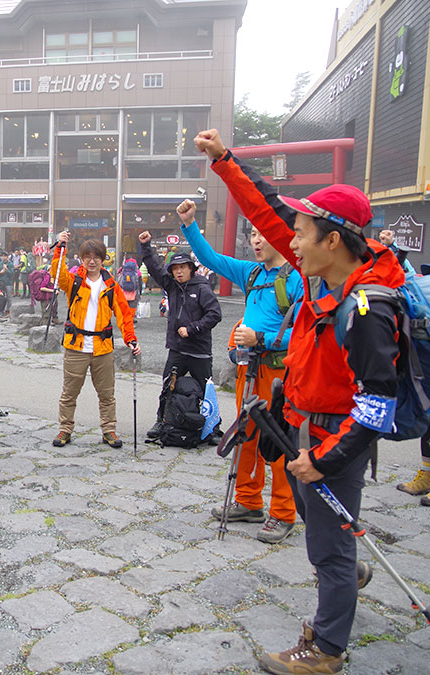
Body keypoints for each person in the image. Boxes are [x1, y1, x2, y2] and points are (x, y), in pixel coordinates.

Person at [196, 128, 400, 674]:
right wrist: (225, 161)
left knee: (329, 549)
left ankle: (327, 648)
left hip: (333, 438)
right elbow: (267, 211)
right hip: (299, 423)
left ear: (333, 239)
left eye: (304, 232)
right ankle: (344, 578)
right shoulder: (322, 274)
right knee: (321, 532)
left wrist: (326, 458)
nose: (293, 241)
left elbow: (380, 404)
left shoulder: (366, 308)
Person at [177, 199, 303, 544]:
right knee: (246, 436)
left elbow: (310, 331)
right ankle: (248, 501)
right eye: (253, 234)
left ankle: (282, 512)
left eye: (264, 234)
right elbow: (211, 260)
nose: (256, 240)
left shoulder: (296, 280)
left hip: (279, 376)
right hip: (249, 371)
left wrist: (262, 337)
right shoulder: (252, 272)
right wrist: (189, 225)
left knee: (278, 443)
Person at [50, 231, 141, 449]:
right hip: (76, 347)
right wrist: (59, 247)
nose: (92, 261)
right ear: (81, 259)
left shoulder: (111, 285)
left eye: (96, 256)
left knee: (107, 394)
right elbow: (57, 273)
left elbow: (124, 314)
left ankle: (109, 430)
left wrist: (131, 339)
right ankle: (65, 429)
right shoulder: (73, 281)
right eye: (87, 256)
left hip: (103, 348)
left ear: (103, 259)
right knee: (69, 392)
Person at [140, 234, 222, 438]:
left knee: (206, 390)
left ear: (191, 269)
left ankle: (212, 427)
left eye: (182, 268)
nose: (178, 272)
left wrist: (192, 329)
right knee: (168, 385)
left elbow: (215, 314)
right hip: (177, 349)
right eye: (175, 269)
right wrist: (145, 245)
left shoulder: (202, 288)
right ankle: (162, 421)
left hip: (199, 351)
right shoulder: (172, 286)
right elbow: (154, 268)